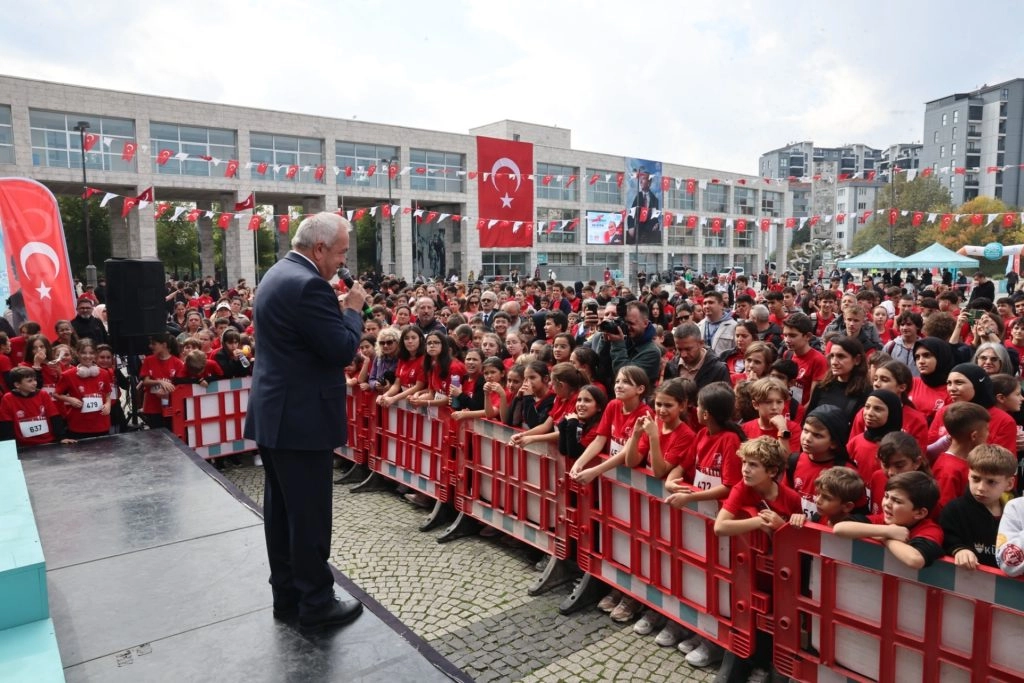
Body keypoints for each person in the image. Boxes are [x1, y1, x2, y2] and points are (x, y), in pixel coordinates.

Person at [242, 212, 365, 632]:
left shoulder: (278, 274)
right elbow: (341, 350)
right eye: (341, 252)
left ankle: (287, 597)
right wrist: (352, 311)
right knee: (309, 517)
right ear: (320, 248)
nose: (343, 262)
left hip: (275, 414)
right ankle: (316, 602)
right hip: (302, 419)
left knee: (282, 515)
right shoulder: (310, 285)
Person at [834, 471, 944, 570]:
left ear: (920, 513)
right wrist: (887, 531)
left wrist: (885, 538)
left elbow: (915, 560)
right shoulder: (882, 520)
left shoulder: (931, 530)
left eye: (897, 501)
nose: (887, 503)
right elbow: (839, 528)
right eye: (886, 496)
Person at [940, 444, 1017, 570]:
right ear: (968, 475)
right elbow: (946, 538)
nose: (981, 488)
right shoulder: (954, 510)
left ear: (1009, 484)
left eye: (991, 482)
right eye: (975, 478)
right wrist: (959, 550)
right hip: (966, 578)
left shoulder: (1017, 514)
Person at [626, 171, 660, 245]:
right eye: (640, 179)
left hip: (649, 233)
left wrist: (656, 224)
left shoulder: (655, 199)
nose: (640, 181)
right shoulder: (638, 196)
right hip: (638, 231)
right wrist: (631, 227)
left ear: (649, 182)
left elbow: (655, 217)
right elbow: (631, 214)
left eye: (643, 179)